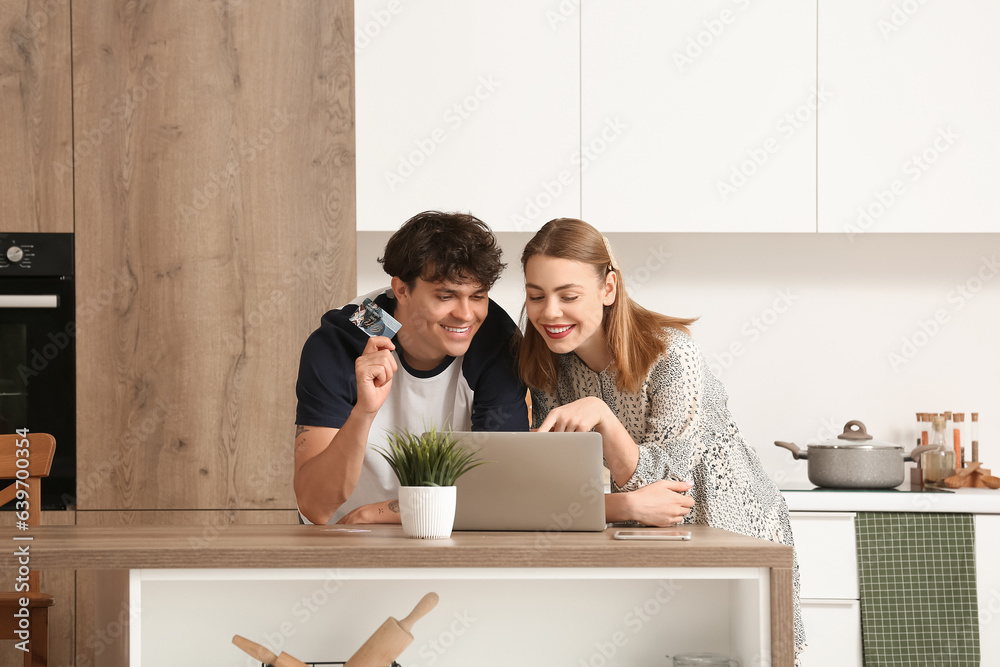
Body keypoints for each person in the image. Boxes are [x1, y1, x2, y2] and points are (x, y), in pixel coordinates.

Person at [520, 218, 805, 657]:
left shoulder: (671, 352)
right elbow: (558, 489)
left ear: (608, 288)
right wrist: (623, 506)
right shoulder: (546, 368)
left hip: (732, 526)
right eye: (536, 296)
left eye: (568, 295)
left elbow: (667, 478)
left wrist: (602, 418)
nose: (549, 312)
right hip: (643, 530)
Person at [294, 211, 529, 525]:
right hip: (343, 536)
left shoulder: (498, 342)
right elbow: (315, 505)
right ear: (401, 289)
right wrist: (363, 411)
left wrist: (380, 512)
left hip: (445, 528)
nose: (465, 314)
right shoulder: (342, 339)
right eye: (446, 296)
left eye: (478, 296)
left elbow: (498, 489)